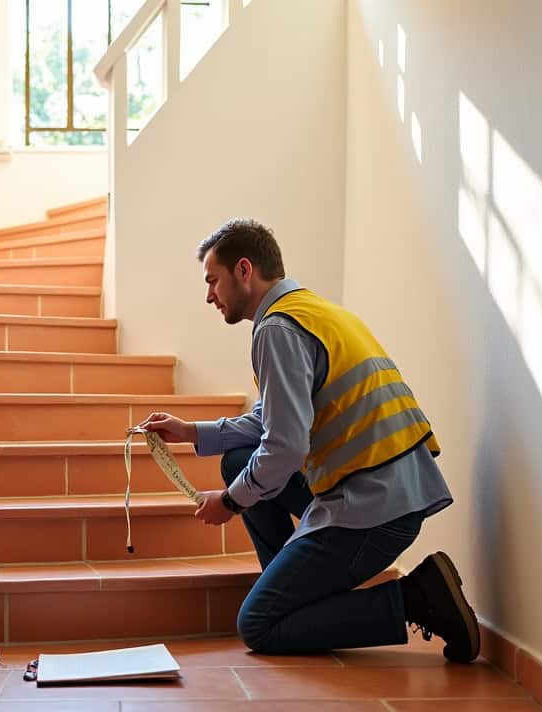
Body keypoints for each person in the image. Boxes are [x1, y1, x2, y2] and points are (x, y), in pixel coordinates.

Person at [137, 219, 480, 662]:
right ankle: (290, 584)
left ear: (244, 270)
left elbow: (285, 447)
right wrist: (192, 433)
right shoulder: (313, 311)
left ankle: (416, 597)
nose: (209, 295)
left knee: (258, 624)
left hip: (374, 509)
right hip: (392, 491)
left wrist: (231, 501)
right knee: (237, 458)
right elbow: (272, 421)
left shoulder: (276, 330)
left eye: (212, 280)